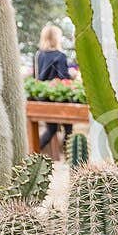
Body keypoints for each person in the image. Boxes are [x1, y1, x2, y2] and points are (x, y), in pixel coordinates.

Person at [33, 23, 72, 155]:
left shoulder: (39, 54)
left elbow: (36, 77)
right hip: (60, 98)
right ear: (57, 38)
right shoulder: (60, 56)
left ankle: (33, 154)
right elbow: (63, 77)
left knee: (51, 129)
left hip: (44, 97)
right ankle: (72, 162)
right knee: (69, 130)